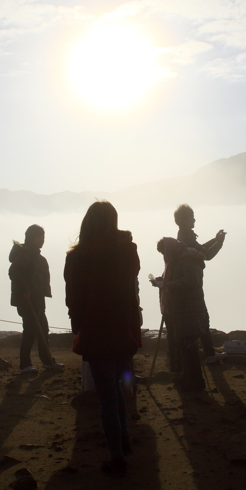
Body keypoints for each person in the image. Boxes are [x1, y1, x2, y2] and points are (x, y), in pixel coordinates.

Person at [65, 201, 142, 476]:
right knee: (119, 389)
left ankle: (117, 456)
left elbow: (74, 299)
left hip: (97, 331)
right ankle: (122, 439)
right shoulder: (128, 251)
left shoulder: (77, 257)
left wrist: (78, 326)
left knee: (106, 396)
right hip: (125, 329)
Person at [174, 204, 226, 364]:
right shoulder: (186, 238)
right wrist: (219, 242)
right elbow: (206, 254)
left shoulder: (185, 236)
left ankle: (208, 352)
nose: (194, 219)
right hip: (193, 284)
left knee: (202, 318)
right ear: (184, 220)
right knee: (202, 319)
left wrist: (214, 240)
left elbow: (201, 248)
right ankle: (208, 354)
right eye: (192, 216)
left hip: (191, 283)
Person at [9, 225, 63, 373]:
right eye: (38, 237)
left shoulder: (38, 257)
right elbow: (13, 272)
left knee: (43, 330)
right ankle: (25, 364)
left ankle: (46, 361)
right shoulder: (26, 255)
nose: (42, 240)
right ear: (30, 238)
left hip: (38, 299)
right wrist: (25, 291)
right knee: (30, 330)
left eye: (43, 237)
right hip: (27, 300)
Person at [157, 238, 207, 391]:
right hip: (182, 308)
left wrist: (168, 285)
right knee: (185, 346)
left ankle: (195, 382)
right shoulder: (178, 259)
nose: (164, 255)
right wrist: (164, 282)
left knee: (188, 346)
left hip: (188, 308)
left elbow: (192, 279)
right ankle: (189, 378)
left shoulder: (186, 259)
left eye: (164, 252)